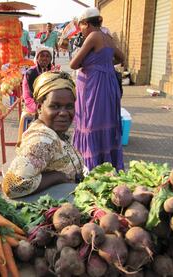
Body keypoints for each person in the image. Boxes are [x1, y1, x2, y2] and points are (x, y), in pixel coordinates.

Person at [2, 71, 84, 200]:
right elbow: (12, 186)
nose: (63, 113)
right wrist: (58, 177)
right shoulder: (43, 139)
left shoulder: (54, 131)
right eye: (55, 106)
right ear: (40, 107)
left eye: (69, 106)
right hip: (52, 212)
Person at [70, 7, 125, 171]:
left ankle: (90, 165)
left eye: (80, 25)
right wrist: (104, 64)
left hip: (93, 86)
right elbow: (121, 58)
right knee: (105, 120)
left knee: (91, 122)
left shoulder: (93, 36)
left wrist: (94, 65)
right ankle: (107, 163)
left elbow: (74, 64)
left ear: (86, 23)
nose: (81, 29)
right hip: (108, 83)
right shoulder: (107, 37)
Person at [22, 46, 53, 114]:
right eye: (42, 56)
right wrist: (37, 107)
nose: (44, 58)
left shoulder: (55, 72)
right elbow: (27, 95)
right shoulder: (30, 73)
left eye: (47, 56)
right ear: (37, 58)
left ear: (51, 59)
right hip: (33, 104)